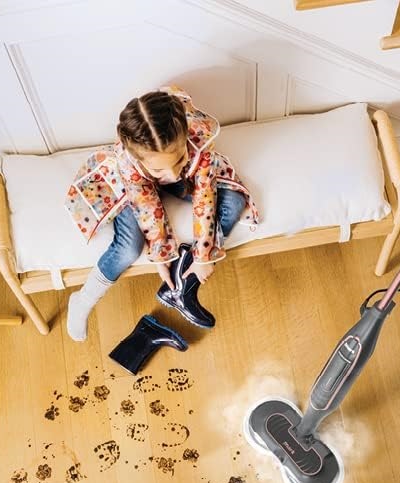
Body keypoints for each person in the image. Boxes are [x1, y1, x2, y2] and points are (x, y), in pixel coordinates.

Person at [64, 86, 257, 340]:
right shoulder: (128, 162)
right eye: (163, 171)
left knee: (233, 200)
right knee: (129, 247)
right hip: (135, 187)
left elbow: (204, 197)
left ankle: (182, 288)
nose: (174, 174)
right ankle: (82, 300)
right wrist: (162, 257)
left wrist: (203, 257)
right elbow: (148, 208)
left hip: (190, 170)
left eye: (178, 161)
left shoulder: (198, 139)